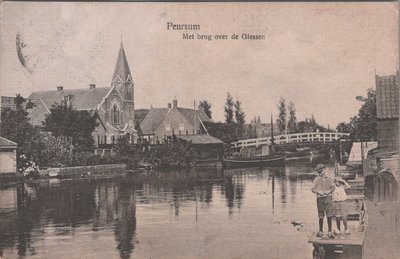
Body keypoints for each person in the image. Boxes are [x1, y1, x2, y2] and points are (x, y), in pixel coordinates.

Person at [311, 164, 336, 238]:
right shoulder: (316, 179)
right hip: (320, 198)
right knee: (321, 214)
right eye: (318, 172)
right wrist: (318, 192)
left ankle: (330, 231)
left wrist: (328, 191)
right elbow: (313, 189)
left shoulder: (330, 178)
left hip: (328, 198)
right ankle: (320, 230)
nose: (320, 173)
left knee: (329, 214)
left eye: (321, 171)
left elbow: (333, 187)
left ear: (324, 170)